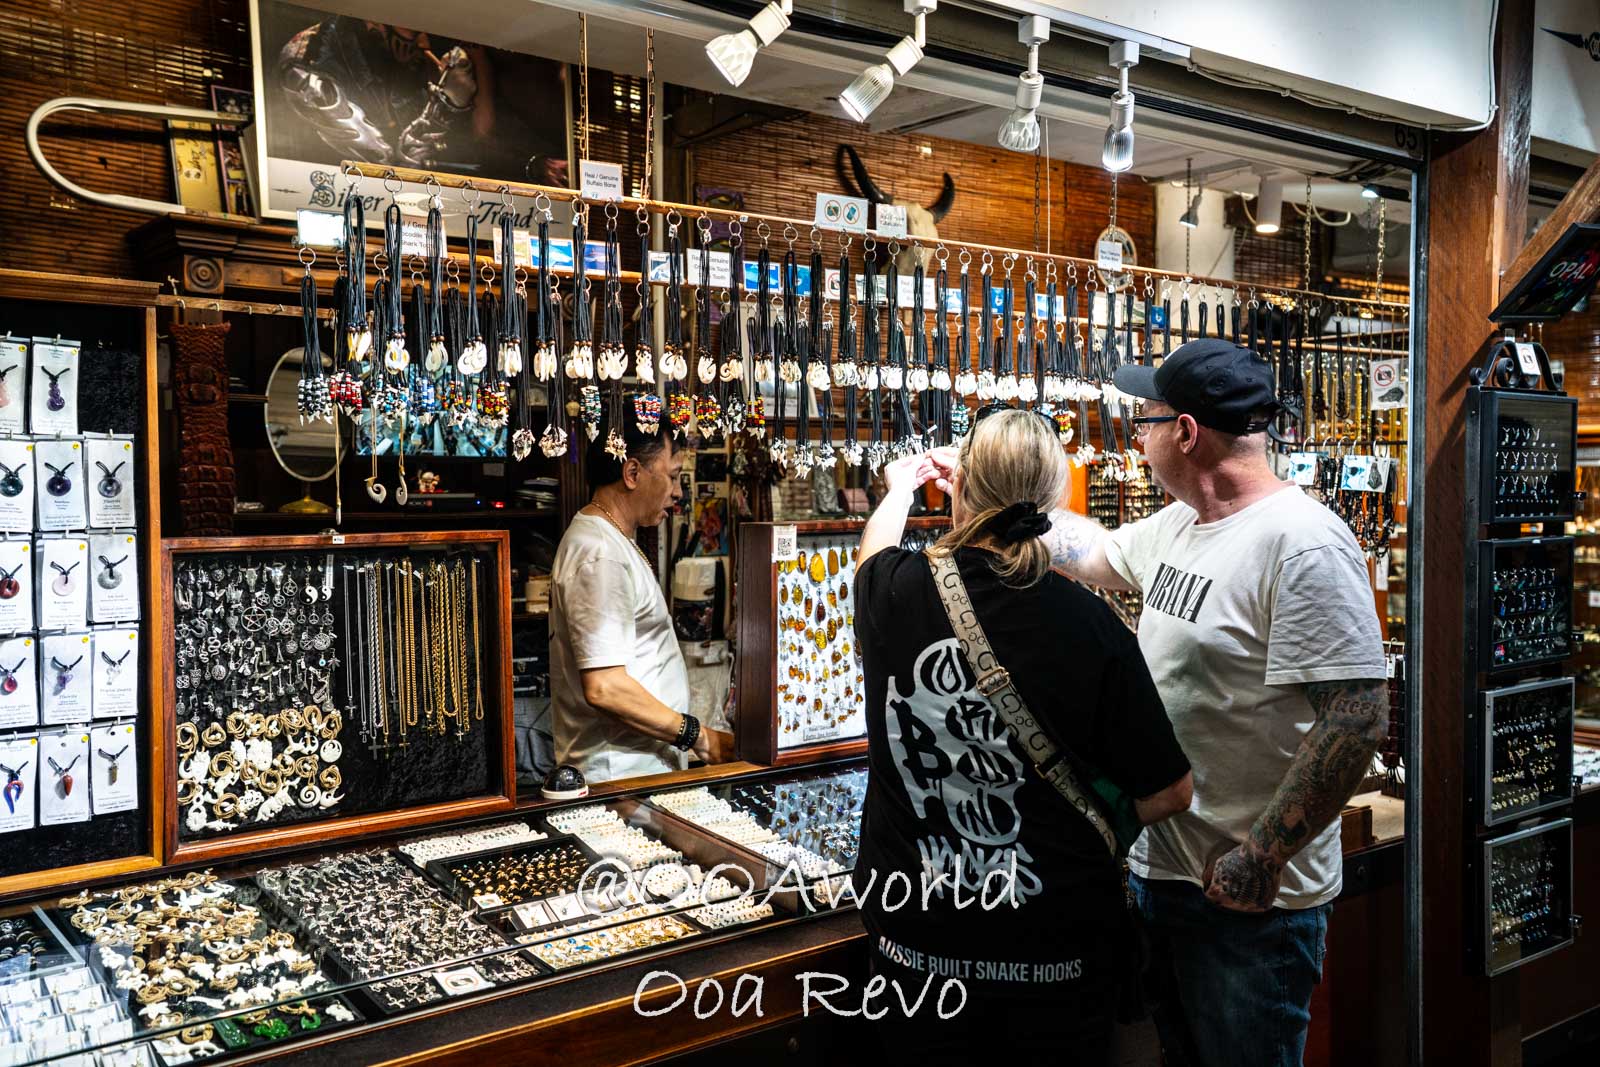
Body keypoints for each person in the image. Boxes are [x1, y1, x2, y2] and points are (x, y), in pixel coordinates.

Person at [1035, 338, 1390, 1067]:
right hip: (1166, 878)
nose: (1138, 436)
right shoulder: (1178, 525)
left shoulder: (1302, 543)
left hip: (1249, 909)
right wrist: (999, 504)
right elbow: (1092, 551)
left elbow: (1356, 716)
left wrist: (1261, 857)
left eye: (1146, 420)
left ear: (1187, 433)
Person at [853, 408, 1193, 1065]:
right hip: (1056, 959)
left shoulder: (895, 592)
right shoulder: (1092, 626)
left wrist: (900, 487)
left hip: (918, 958)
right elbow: (1172, 790)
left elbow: (875, 553)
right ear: (1054, 500)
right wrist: (1092, 818)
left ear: (960, 489)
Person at [549, 417, 734, 782]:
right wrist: (696, 737)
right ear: (632, 473)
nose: (678, 492)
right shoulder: (601, 552)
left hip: (638, 772)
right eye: (673, 476)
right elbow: (606, 687)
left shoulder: (613, 541)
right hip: (621, 777)